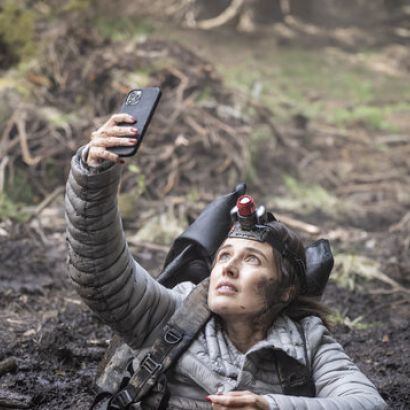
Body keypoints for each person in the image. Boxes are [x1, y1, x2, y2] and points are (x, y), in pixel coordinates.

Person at [65, 113, 387, 410]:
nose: (228, 268)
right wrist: (94, 175)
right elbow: (100, 273)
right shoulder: (175, 312)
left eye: (252, 259)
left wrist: (270, 406)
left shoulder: (308, 340)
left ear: (286, 290)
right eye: (224, 256)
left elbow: (368, 403)